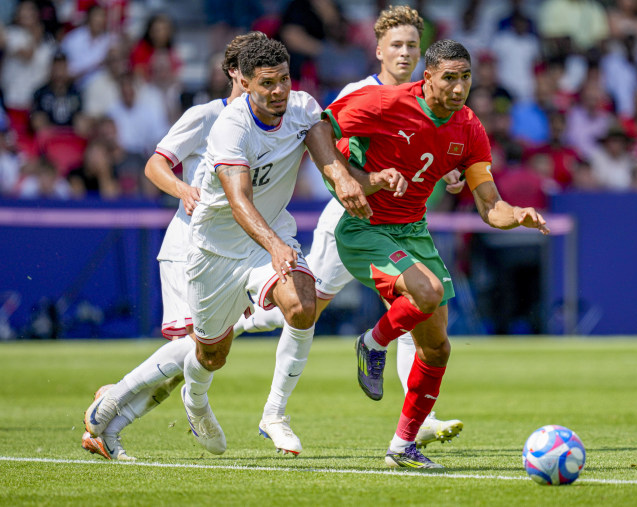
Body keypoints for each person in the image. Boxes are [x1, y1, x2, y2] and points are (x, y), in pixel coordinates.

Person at [88, 36, 405, 458]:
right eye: (268, 83)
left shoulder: (303, 108)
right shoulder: (223, 123)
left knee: (302, 304)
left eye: (285, 80)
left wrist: (357, 180)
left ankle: (274, 413)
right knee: (204, 354)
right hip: (209, 248)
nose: (279, 91)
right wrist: (185, 190)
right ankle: (144, 403)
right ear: (242, 78)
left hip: (265, 236)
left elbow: (329, 159)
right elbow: (234, 199)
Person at [234, 5, 467, 450]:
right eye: (396, 45)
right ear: (378, 49)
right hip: (351, 222)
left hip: (398, 228)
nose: (404, 53)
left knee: (414, 304)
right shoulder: (362, 92)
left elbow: (424, 156)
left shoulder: (430, 98)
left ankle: (421, 419)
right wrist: (355, 186)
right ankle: (267, 389)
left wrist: (447, 172)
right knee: (302, 312)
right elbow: (325, 148)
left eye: (412, 46)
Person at [321, 39, 549, 468]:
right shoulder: (386, 103)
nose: (460, 87)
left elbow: (489, 206)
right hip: (366, 226)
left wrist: (516, 214)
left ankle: (401, 447)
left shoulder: (469, 128)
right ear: (428, 78)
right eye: (450, 77)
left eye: (466, 77)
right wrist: (351, 178)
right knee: (424, 293)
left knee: (438, 349)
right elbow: (320, 129)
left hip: (414, 233)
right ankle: (372, 343)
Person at [81, 32, 267, 461]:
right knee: (195, 351)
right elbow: (155, 164)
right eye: (251, 70)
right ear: (235, 73)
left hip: (230, 253)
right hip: (190, 245)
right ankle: (108, 404)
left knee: (192, 362)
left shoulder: (268, 125)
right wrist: (182, 188)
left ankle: (109, 428)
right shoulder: (207, 115)